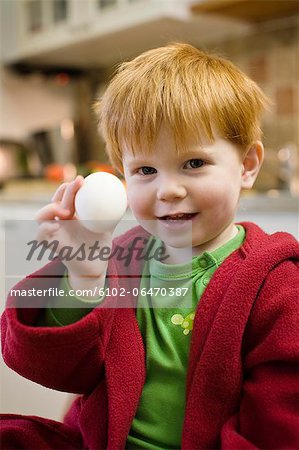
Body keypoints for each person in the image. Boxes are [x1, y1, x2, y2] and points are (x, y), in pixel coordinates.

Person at [1, 43, 299, 449]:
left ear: (247, 165)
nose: (169, 190)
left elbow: (278, 426)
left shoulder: (277, 285)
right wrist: (84, 278)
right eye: (145, 170)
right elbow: (52, 366)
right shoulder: (120, 258)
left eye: (193, 163)